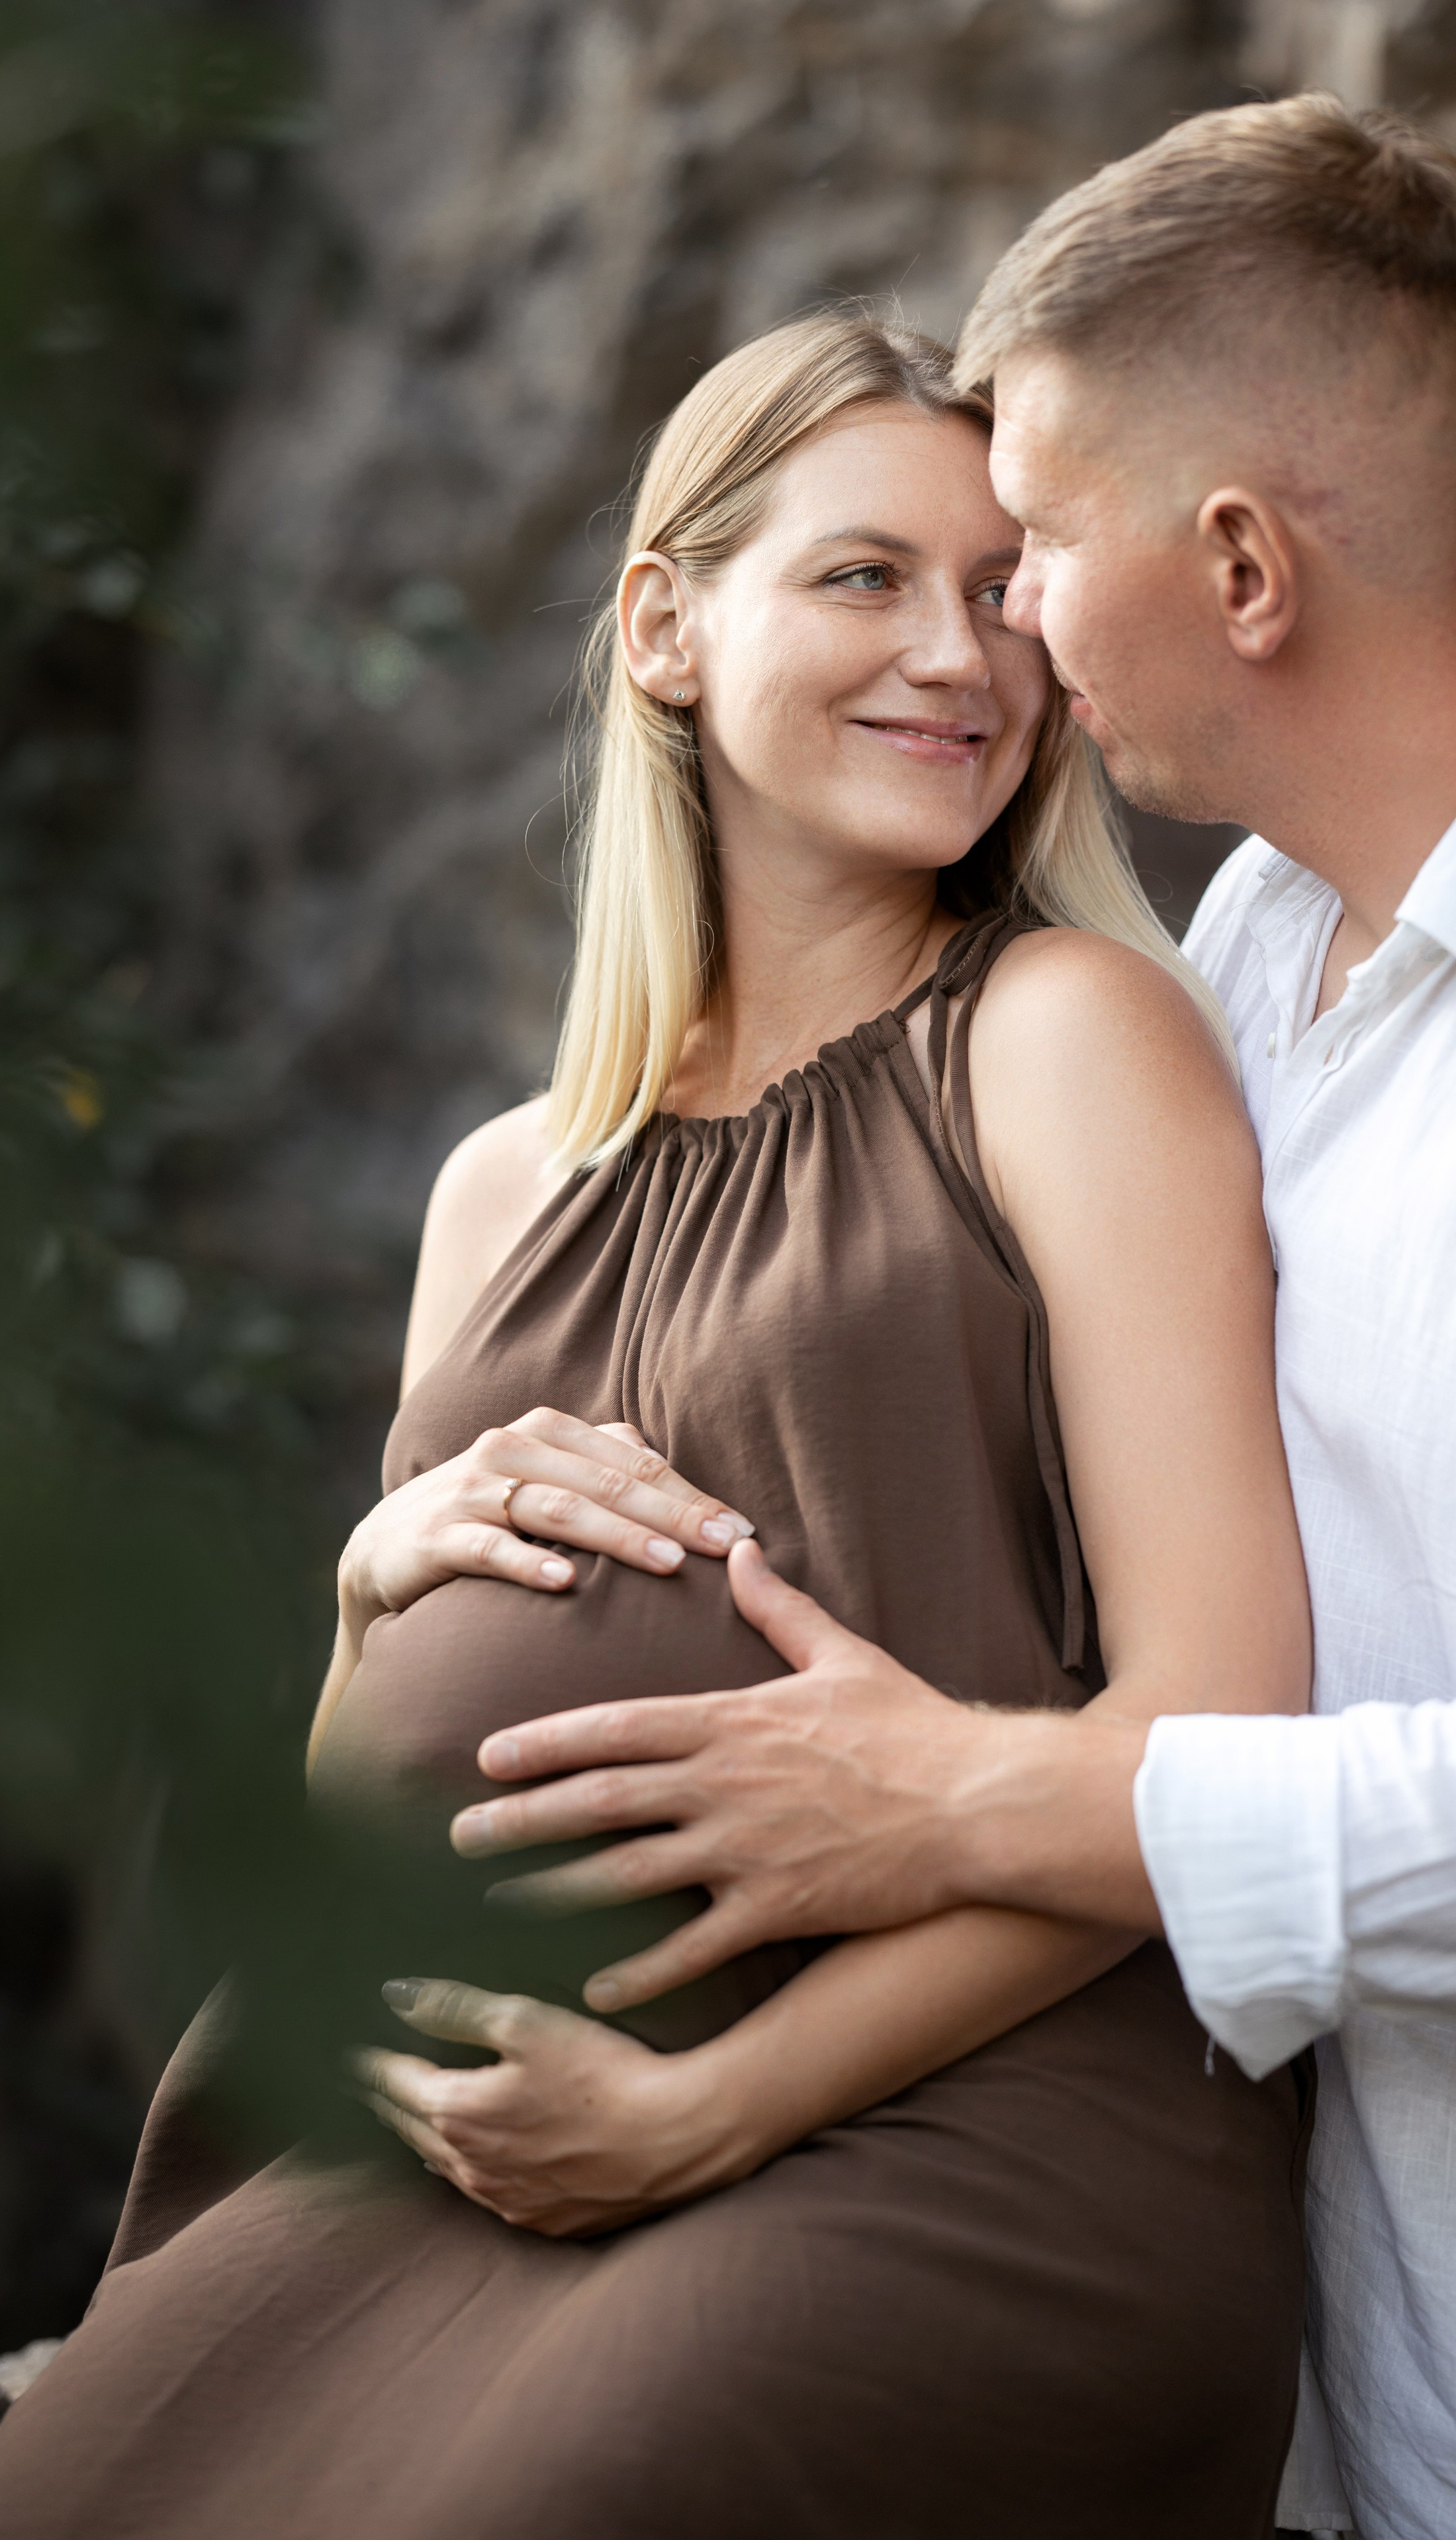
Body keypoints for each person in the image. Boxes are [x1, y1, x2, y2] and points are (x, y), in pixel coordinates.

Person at [441, 99, 1456, 2540]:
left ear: (1237, 564)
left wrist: (960, 1799)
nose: (995, 635)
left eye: (1035, 551)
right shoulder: (1253, 962)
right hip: (1333, 2400)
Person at [0, 312, 1316, 2538]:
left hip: (952, 2110)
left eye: (1005, 589)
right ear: (665, 624)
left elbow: (1222, 1728)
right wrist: (367, 1589)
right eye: (865, 576)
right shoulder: (505, 1187)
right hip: (478, 2148)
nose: (957, 653)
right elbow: (362, 1818)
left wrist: (709, 2116)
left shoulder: (1067, 1038)